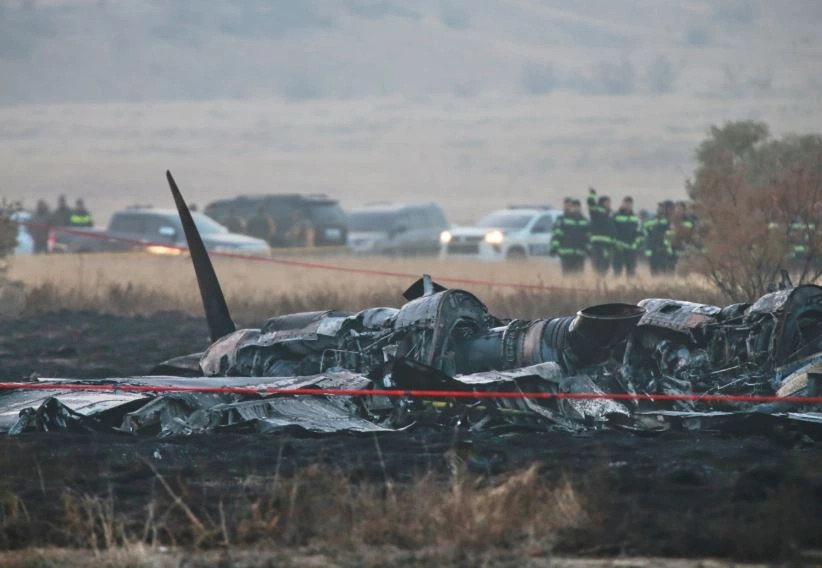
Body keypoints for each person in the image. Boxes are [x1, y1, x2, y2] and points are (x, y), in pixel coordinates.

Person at [550, 197, 589, 274]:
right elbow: (557, 235)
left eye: (577, 207)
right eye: (574, 207)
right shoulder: (562, 219)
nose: (575, 209)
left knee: (578, 278)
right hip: (566, 254)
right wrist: (554, 248)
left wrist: (588, 250)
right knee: (567, 277)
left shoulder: (584, 221)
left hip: (579, 254)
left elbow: (587, 237)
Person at [586, 188, 614, 276]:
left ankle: (602, 284)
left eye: (610, 202)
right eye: (608, 202)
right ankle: (598, 284)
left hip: (607, 246)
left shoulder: (609, 215)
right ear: (602, 203)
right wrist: (592, 194)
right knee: (598, 268)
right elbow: (591, 203)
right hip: (598, 245)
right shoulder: (597, 212)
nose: (609, 204)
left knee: (605, 268)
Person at [611, 196, 642, 277]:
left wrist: (636, 244)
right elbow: (612, 231)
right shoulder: (616, 216)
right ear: (622, 204)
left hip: (632, 247)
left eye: (629, 204)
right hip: (619, 247)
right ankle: (615, 286)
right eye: (626, 203)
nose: (628, 205)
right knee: (617, 270)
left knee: (631, 270)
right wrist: (616, 243)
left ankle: (630, 287)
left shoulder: (636, 217)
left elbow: (639, 233)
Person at [643, 201, 675, 275]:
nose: (660, 209)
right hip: (653, 248)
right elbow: (647, 236)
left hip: (663, 249)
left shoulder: (668, 222)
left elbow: (670, 235)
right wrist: (647, 249)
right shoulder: (651, 221)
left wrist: (668, 247)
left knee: (663, 270)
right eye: (659, 208)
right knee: (653, 270)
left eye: (662, 208)